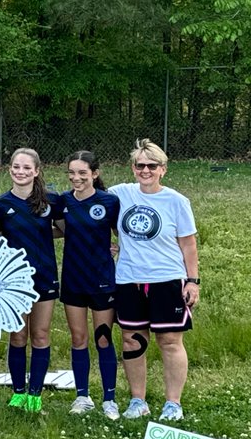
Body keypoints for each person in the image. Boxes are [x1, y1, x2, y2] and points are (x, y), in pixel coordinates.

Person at [111, 140, 199, 421]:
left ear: (163, 169)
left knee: (170, 341)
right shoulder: (119, 194)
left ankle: (173, 403)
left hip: (167, 279)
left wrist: (192, 280)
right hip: (128, 279)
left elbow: (188, 245)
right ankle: (138, 400)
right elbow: (90, 208)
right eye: (140, 165)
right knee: (132, 340)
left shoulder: (176, 201)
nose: (145, 170)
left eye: (152, 166)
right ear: (133, 168)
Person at [0, 148, 64, 413]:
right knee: (18, 335)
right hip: (14, 282)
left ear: (36, 171)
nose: (20, 171)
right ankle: (18, 392)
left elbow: (65, 230)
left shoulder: (51, 202)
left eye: (26, 167)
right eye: (16, 167)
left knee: (40, 334)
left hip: (44, 275)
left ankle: (35, 394)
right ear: (10, 169)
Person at [59, 151, 121, 419]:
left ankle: (110, 399)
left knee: (103, 338)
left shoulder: (109, 201)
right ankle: (82, 396)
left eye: (82, 173)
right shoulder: (62, 202)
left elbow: (126, 235)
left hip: (103, 281)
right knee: (78, 338)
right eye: (72, 173)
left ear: (94, 174)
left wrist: (120, 248)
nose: (76, 178)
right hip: (73, 279)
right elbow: (58, 230)